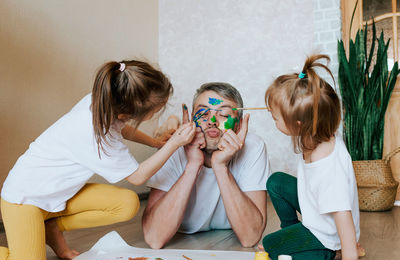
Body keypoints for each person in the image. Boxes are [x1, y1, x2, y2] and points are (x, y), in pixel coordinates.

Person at [0, 60, 196, 260]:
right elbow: (137, 177)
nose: (157, 114)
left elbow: (123, 128)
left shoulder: (103, 100)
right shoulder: (96, 135)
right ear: (125, 113)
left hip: (59, 196)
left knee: (126, 203)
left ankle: (52, 228)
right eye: (155, 112)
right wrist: (174, 144)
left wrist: (155, 143)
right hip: (24, 201)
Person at [142, 82, 270, 249]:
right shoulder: (174, 147)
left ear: (238, 124)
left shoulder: (253, 146)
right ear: (189, 120)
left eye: (223, 114)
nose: (212, 121)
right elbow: (154, 238)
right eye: (202, 113)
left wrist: (220, 166)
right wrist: (193, 165)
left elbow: (250, 237)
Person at [261, 54, 360, 260]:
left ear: (298, 124)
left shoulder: (327, 169)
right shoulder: (320, 131)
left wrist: (349, 251)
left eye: (275, 117)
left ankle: (326, 252)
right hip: (316, 210)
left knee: (269, 244)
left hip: (326, 236)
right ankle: (297, 237)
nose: (273, 118)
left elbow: (343, 217)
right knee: (276, 182)